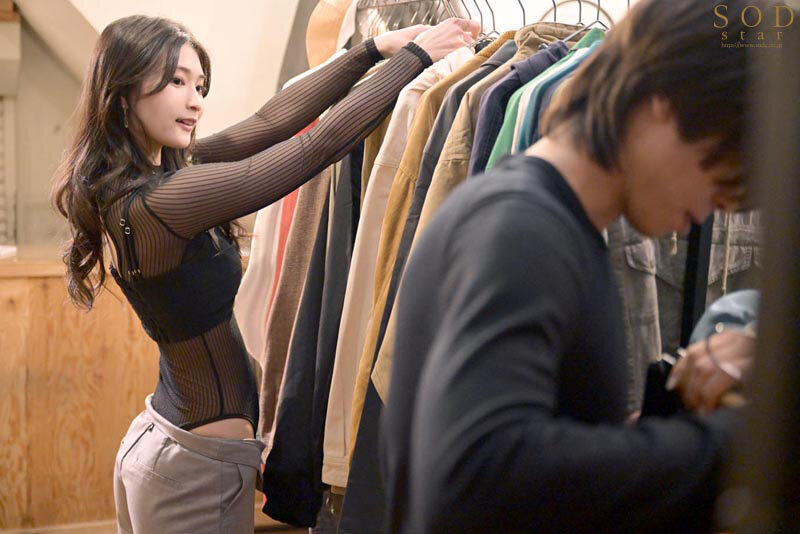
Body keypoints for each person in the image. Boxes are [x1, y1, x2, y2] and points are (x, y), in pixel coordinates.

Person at [51, 13, 479, 533]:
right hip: (192, 466)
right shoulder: (163, 201)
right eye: (176, 82)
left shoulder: (153, 179)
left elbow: (268, 123)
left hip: (172, 443)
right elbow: (312, 149)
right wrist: (417, 58)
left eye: (199, 85)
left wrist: (373, 50)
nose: (195, 101)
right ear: (123, 93)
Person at [381, 1, 763, 532]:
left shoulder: (541, 222)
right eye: (720, 172)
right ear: (662, 103)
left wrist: (648, 431)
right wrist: (732, 442)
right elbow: (479, 478)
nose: (714, 208)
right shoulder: (524, 229)